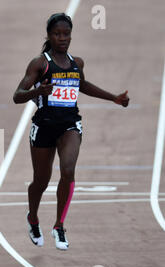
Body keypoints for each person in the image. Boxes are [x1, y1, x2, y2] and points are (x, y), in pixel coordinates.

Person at [13, 13, 129, 251]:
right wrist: (38, 92)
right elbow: (16, 96)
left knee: (68, 169)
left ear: (71, 35)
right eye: (57, 34)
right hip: (43, 125)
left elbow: (82, 85)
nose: (62, 38)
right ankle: (33, 218)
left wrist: (114, 98)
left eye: (66, 34)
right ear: (49, 36)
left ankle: (59, 225)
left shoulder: (77, 62)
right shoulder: (40, 63)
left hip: (69, 125)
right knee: (41, 181)